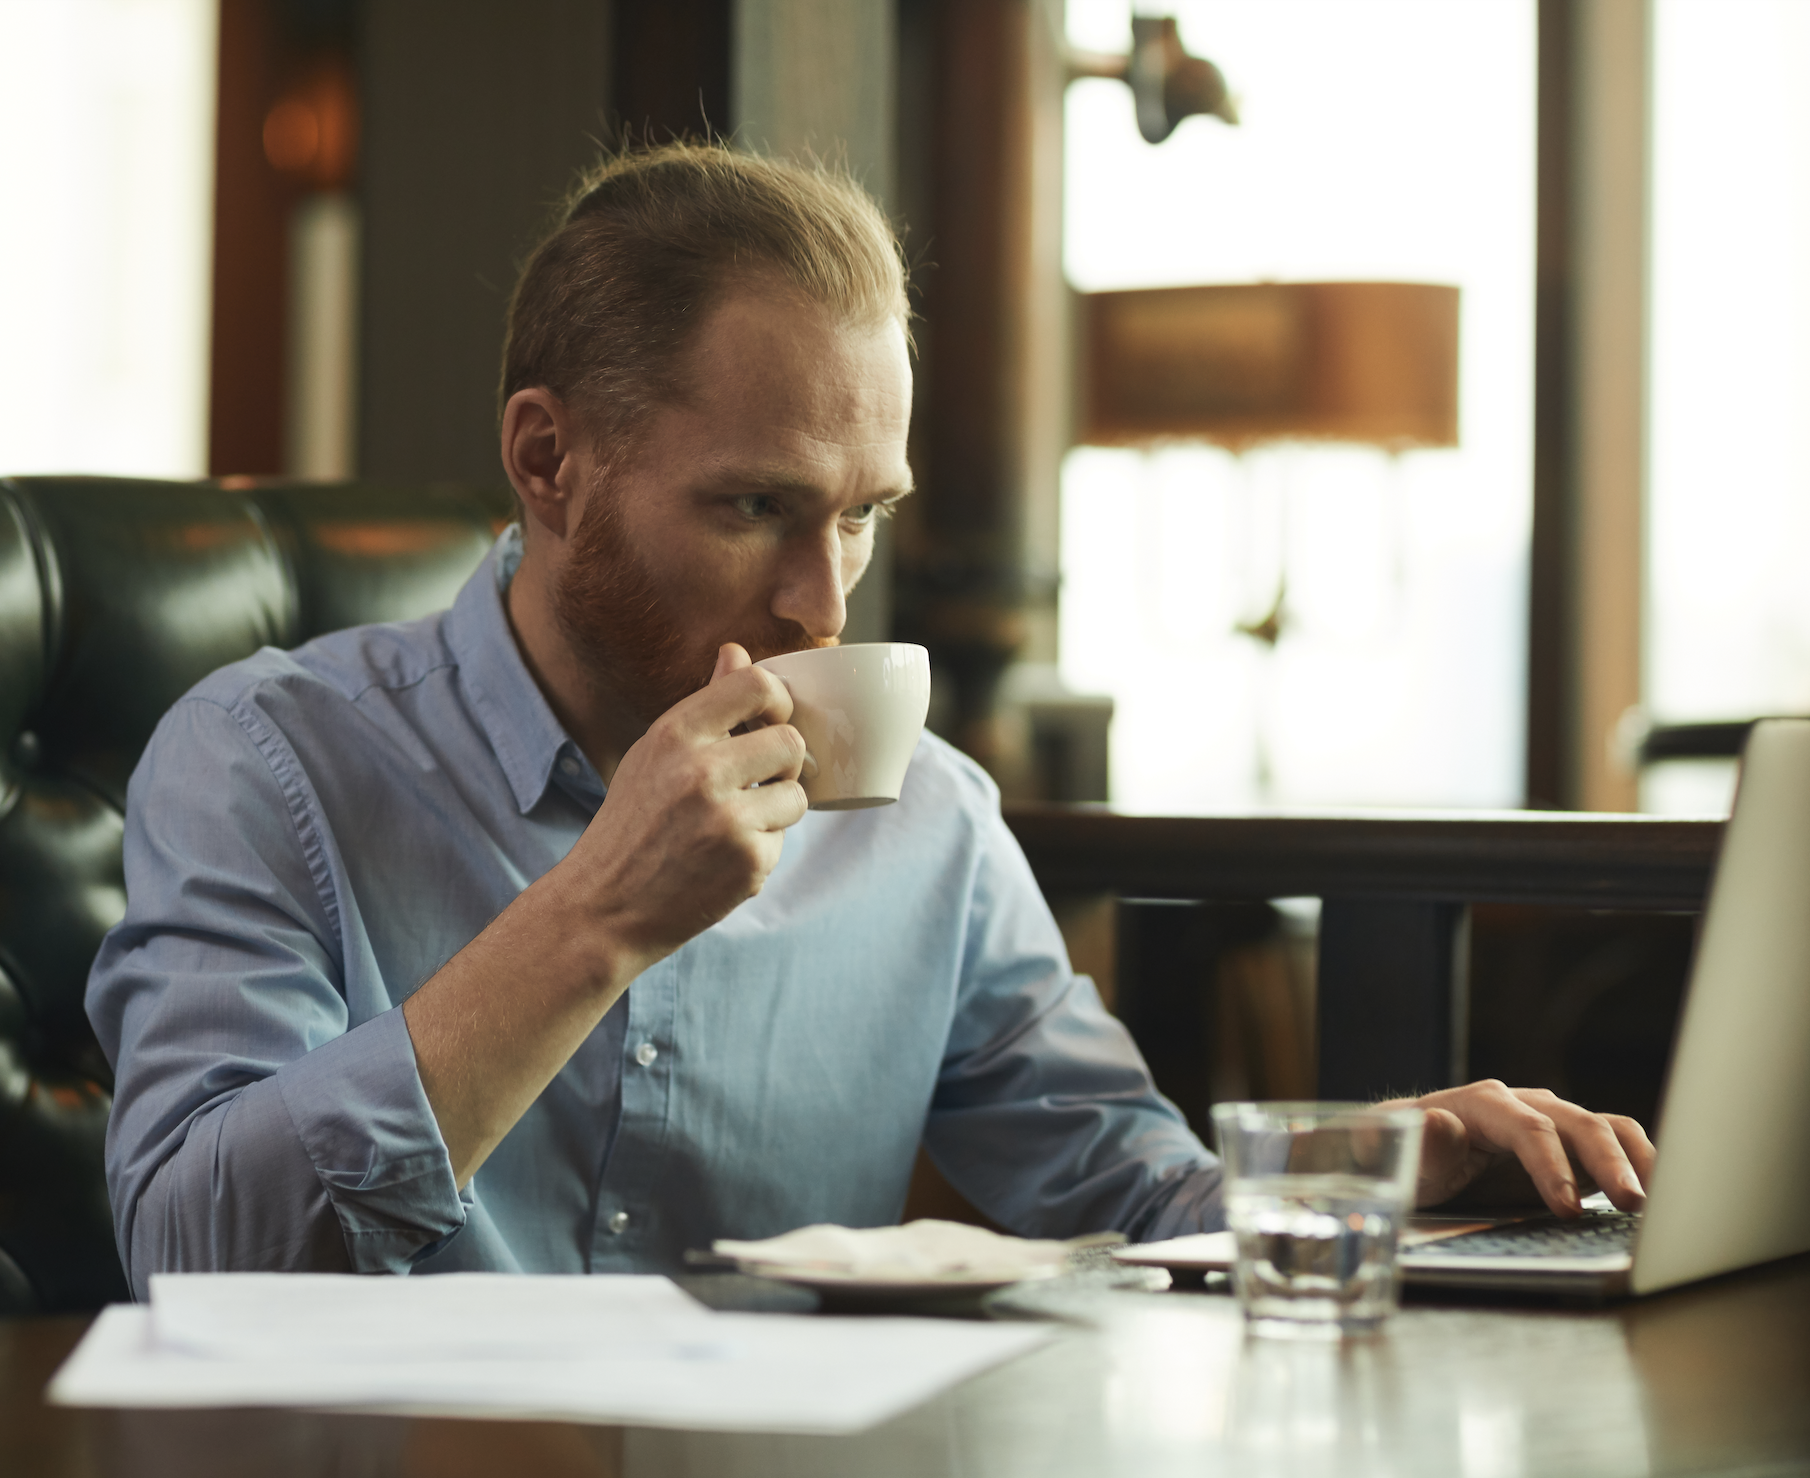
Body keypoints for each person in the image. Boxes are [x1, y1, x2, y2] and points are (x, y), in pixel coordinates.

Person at [85, 143, 1654, 1284]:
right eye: (756, 504)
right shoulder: (265, 761)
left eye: (861, 515)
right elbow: (192, 1253)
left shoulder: (931, 822)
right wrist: (595, 919)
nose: (822, 604)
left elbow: (1133, 1201)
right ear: (549, 461)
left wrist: (1379, 1158)